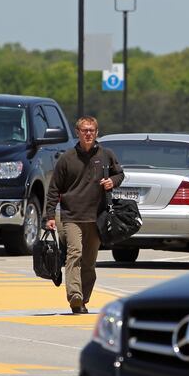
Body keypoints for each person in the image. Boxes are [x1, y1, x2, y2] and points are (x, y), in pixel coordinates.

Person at [44, 116, 124, 314]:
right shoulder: (67, 158)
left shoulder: (106, 155)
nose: (88, 134)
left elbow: (119, 174)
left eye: (92, 130)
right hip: (72, 216)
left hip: (97, 217)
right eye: (84, 130)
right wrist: (50, 216)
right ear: (77, 133)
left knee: (89, 262)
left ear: (97, 133)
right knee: (74, 254)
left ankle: (83, 300)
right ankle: (75, 296)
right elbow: (54, 189)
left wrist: (112, 182)